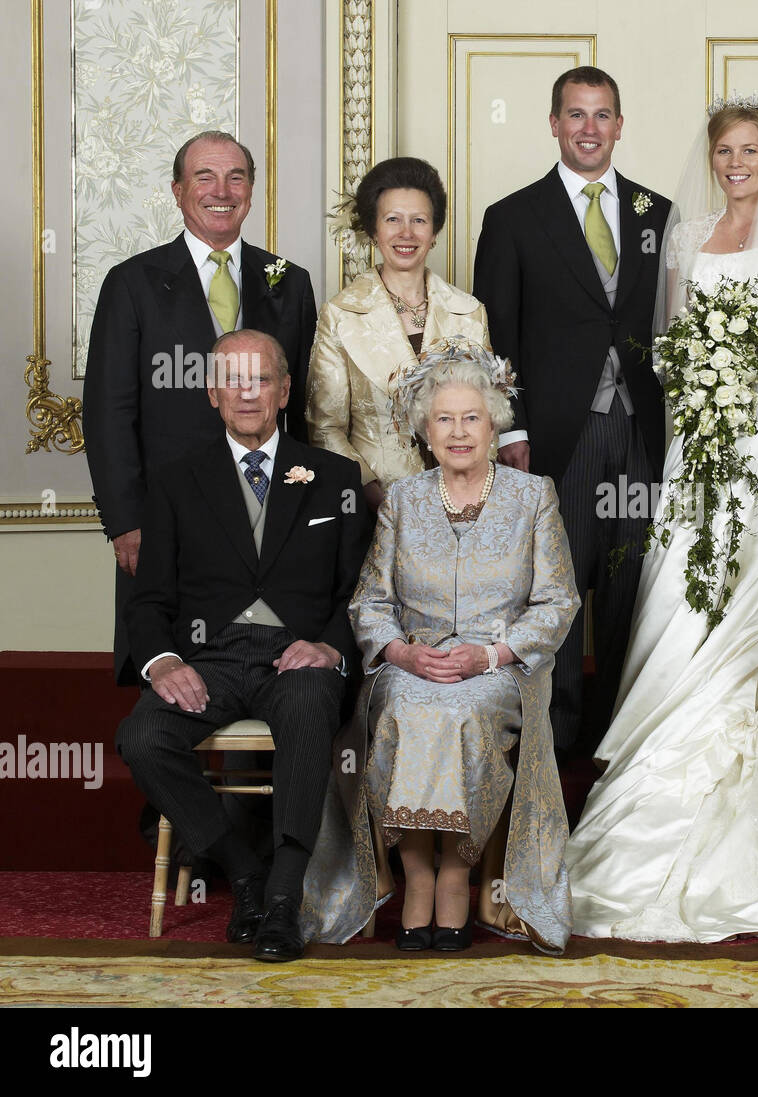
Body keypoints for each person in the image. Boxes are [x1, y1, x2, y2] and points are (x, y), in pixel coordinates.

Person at [565, 93, 758, 941]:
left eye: (749, 150)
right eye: (724, 150)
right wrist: (707, 351)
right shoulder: (686, 239)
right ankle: (650, 804)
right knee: (689, 589)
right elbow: (671, 341)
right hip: (703, 436)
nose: (735, 163)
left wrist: (748, 340)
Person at [301, 339, 580, 955]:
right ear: (425, 431)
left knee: (461, 712)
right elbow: (369, 602)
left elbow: (559, 602)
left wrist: (492, 656)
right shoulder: (402, 500)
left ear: (495, 424)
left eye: (472, 418)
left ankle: (454, 871)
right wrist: (400, 654)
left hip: (499, 666)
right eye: (444, 420)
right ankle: (417, 874)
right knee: (405, 706)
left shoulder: (534, 497)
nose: (459, 432)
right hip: (413, 661)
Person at [114, 330, 367, 962]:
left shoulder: (336, 477)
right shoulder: (175, 482)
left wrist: (332, 648)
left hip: (298, 655)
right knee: (141, 738)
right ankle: (244, 867)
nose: (246, 393)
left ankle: (283, 901)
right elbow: (148, 602)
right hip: (211, 660)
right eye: (233, 379)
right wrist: (164, 660)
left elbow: (360, 591)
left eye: (260, 380)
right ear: (212, 393)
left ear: (284, 391)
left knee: (312, 701)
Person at [473, 66, 672, 755]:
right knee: (556, 597)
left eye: (603, 115)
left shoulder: (659, 213)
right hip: (558, 435)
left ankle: (620, 757)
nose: (590, 128)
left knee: (631, 597)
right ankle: (550, 763)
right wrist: (514, 427)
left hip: (643, 430)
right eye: (576, 115)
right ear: (554, 123)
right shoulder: (512, 218)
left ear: (620, 125)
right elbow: (494, 335)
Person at [85, 130, 318, 686]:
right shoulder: (131, 282)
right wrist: (125, 521)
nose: (222, 190)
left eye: (236, 177)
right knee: (170, 674)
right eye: (205, 177)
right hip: (168, 515)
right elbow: (108, 411)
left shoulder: (289, 282)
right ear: (177, 190)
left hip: (270, 512)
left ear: (252, 190)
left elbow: (304, 406)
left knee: (268, 666)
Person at [308, 157, 490, 512]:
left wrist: (475, 494)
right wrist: (374, 495)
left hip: (463, 503)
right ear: (374, 230)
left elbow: (487, 416)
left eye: (418, 221)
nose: (406, 233)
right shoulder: (341, 314)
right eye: (393, 219)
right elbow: (325, 429)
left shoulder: (469, 312)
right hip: (377, 507)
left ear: (434, 232)